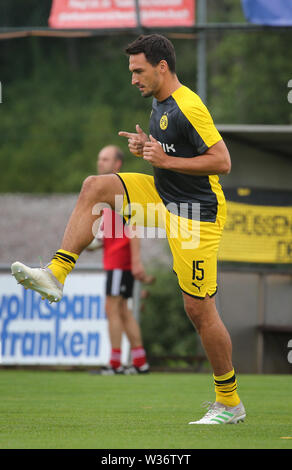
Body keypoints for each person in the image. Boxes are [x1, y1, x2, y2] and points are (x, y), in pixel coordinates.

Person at [11, 34, 245, 424]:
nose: (133, 78)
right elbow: (172, 153)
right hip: (163, 198)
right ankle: (56, 274)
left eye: (138, 71)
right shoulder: (159, 104)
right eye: (131, 71)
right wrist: (147, 150)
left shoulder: (189, 106)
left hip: (195, 214)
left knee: (199, 310)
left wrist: (166, 162)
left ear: (162, 67)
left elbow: (222, 161)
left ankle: (230, 403)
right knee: (95, 186)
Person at [88, 144, 152, 374]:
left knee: (113, 309)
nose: (100, 163)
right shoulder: (107, 192)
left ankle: (114, 364)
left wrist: (136, 261)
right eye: (99, 158)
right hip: (116, 261)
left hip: (119, 262)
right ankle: (140, 363)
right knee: (123, 311)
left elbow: (133, 226)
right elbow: (108, 233)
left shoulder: (119, 190)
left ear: (117, 164)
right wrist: (92, 242)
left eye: (105, 159)